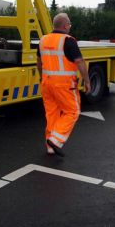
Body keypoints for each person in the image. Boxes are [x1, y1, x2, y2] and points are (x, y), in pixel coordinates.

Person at [37, 13, 91, 157]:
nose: (70, 27)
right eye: (70, 25)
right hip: (64, 84)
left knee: (52, 114)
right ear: (65, 25)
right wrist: (87, 81)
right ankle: (55, 140)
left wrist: (42, 78)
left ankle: (50, 146)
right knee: (72, 111)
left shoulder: (43, 40)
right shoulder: (69, 41)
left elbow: (39, 62)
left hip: (47, 82)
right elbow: (79, 61)